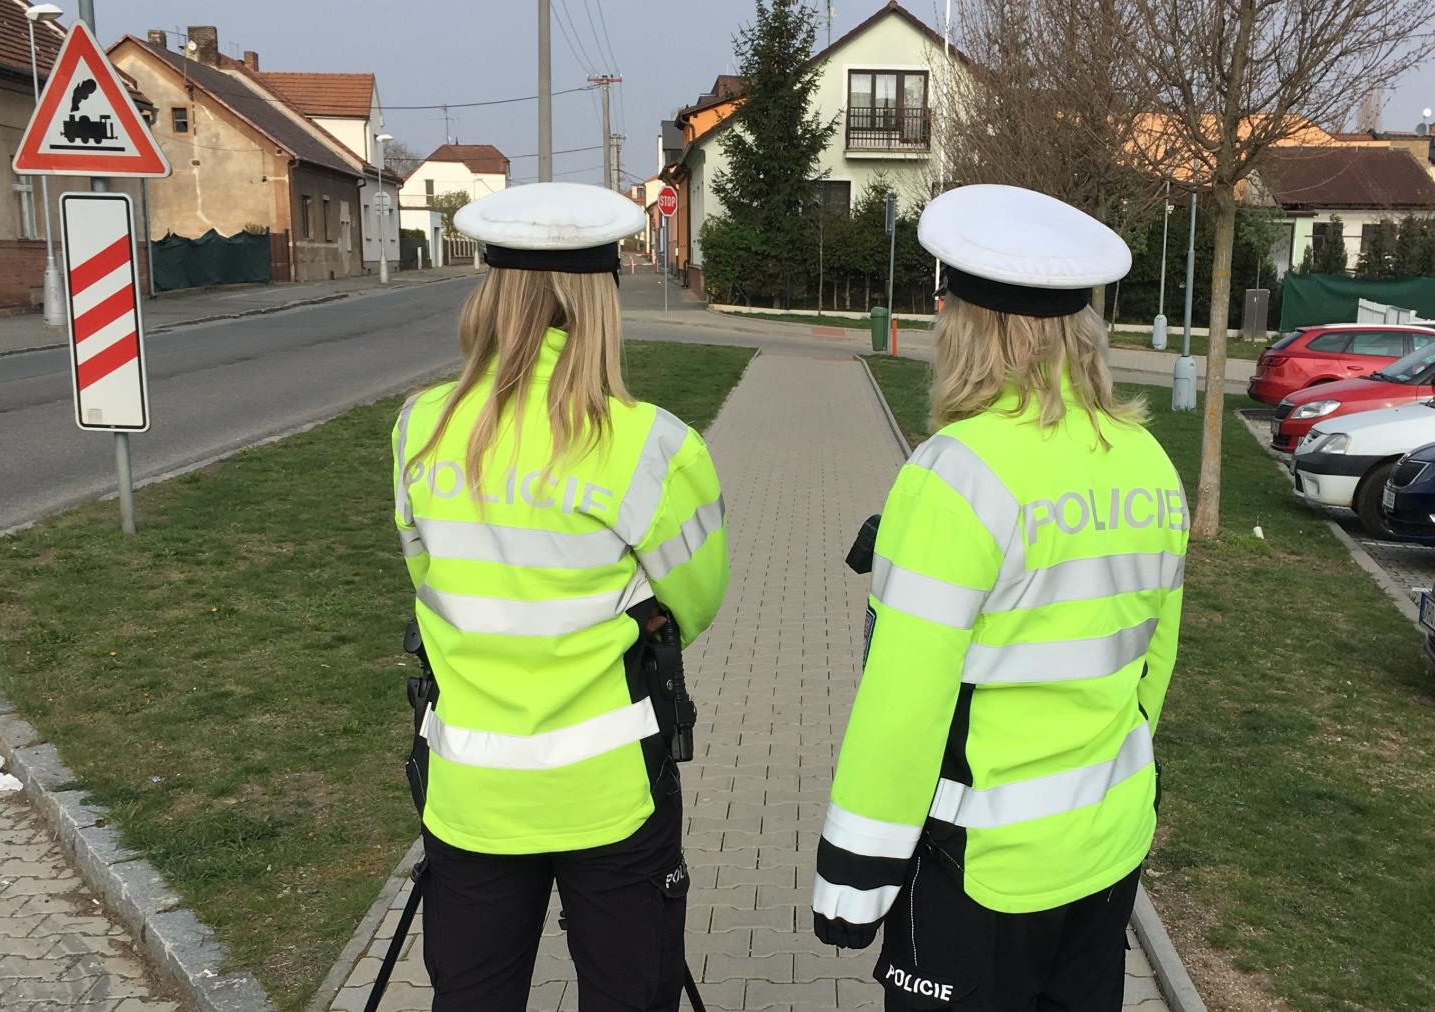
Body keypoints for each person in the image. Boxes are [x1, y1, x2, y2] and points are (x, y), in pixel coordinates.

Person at [811, 183, 1188, 1010]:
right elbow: (1153, 659)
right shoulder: (1147, 459)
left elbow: (902, 704)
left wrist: (856, 870)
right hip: (1107, 845)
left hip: (978, 866)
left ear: (967, 326)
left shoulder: (955, 474)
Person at [390, 182, 728, 1010]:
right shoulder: (651, 445)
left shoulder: (420, 428)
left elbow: (428, 579)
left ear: (491, 293)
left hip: (470, 794)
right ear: (600, 302)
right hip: (611, 795)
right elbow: (696, 602)